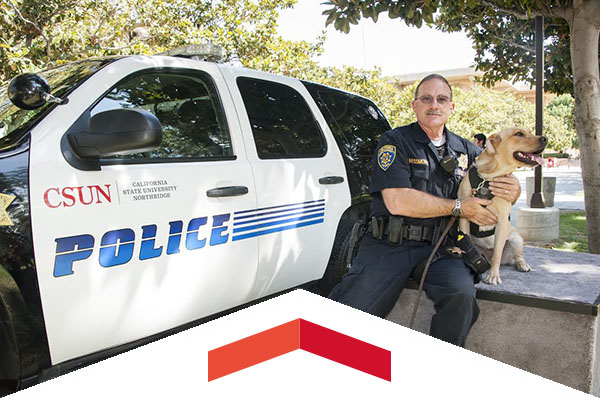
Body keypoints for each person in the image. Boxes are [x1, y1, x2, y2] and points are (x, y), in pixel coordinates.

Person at [328, 74, 520, 347]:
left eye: (442, 99)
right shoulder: (394, 142)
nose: (434, 105)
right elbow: (397, 201)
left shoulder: (467, 150)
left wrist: (514, 189)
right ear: (414, 105)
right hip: (390, 245)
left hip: (442, 248)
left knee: (461, 296)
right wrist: (458, 207)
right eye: (426, 98)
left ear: (451, 107)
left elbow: (497, 175)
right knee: (352, 310)